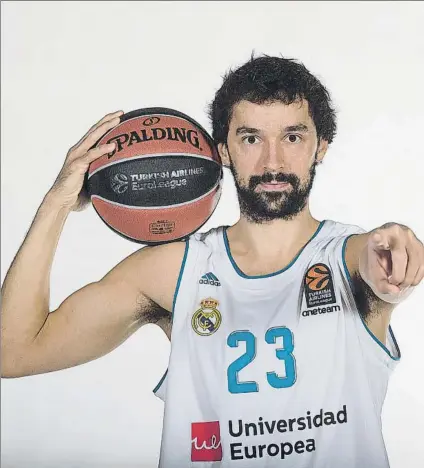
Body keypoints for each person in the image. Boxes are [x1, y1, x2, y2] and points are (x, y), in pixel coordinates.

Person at [1, 55, 423, 467]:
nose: (273, 161)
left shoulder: (350, 258)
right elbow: (13, 352)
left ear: (321, 148)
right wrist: (56, 202)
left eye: (293, 137)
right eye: (251, 138)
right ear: (222, 150)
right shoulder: (173, 271)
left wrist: (396, 248)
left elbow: (379, 254)